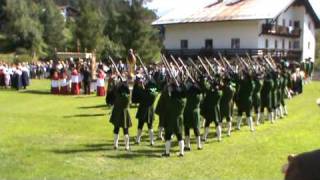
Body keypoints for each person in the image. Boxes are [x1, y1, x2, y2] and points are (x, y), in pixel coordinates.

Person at [162, 83, 186, 157]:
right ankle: (182, 152)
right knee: (180, 136)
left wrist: (167, 86)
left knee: (168, 136)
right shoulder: (183, 101)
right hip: (179, 120)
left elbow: (164, 93)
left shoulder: (170, 100)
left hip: (170, 119)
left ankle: (167, 152)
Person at [109, 80, 132, 151]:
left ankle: (115, 145)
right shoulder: (128, 96)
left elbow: (114, 90)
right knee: (126, 130)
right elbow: (128, 91)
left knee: (116, 129)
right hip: (125, 113)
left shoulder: (117, 95)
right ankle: (127, 146)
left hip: (117, 113)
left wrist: (119, 83)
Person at [135, 80, 158, 146]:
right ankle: (151, 141)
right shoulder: (153, 93)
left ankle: (138, 140)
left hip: (142, 110)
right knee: (150, 126)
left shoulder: (143, 91)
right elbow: (152, 91)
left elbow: (138, 95)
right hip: (150, 111)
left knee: (140, 126)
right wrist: (143, 87)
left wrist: (142, 87)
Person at [183, 81, 203, 150]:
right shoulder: (199, 96)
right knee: (196, 129)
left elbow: (184, 89)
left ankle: (187, 145)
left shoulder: (188, 94)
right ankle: (199, 145)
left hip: (187, 112)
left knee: (186, 128)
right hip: (196, 113)